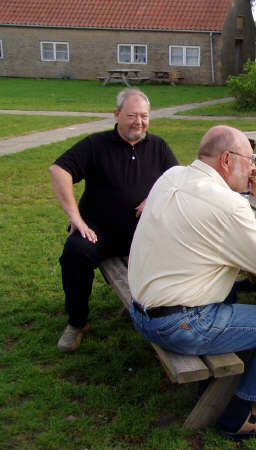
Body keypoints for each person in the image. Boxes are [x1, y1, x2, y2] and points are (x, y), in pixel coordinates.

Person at [127, 125, 256, 440]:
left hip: (140, 311)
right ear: (226, 159)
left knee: (231, 290)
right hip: (179, 325)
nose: (254, 168)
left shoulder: (172, 176)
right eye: (250, 160)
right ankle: (245, 414)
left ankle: (213, 389)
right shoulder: (226, 203)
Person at [50, 88, 178, 353]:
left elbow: (177, 181)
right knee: (75, 252)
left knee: (184, 246)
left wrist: (155, 196)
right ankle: (77, 323)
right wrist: (76, 217)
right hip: (99, 231)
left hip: (143, 234)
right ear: (117, 114)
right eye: (132, 116)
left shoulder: (158, 147)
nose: (139, 122)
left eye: (144, 116)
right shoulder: (96, 145)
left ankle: (173, 316)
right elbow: (58, 170)